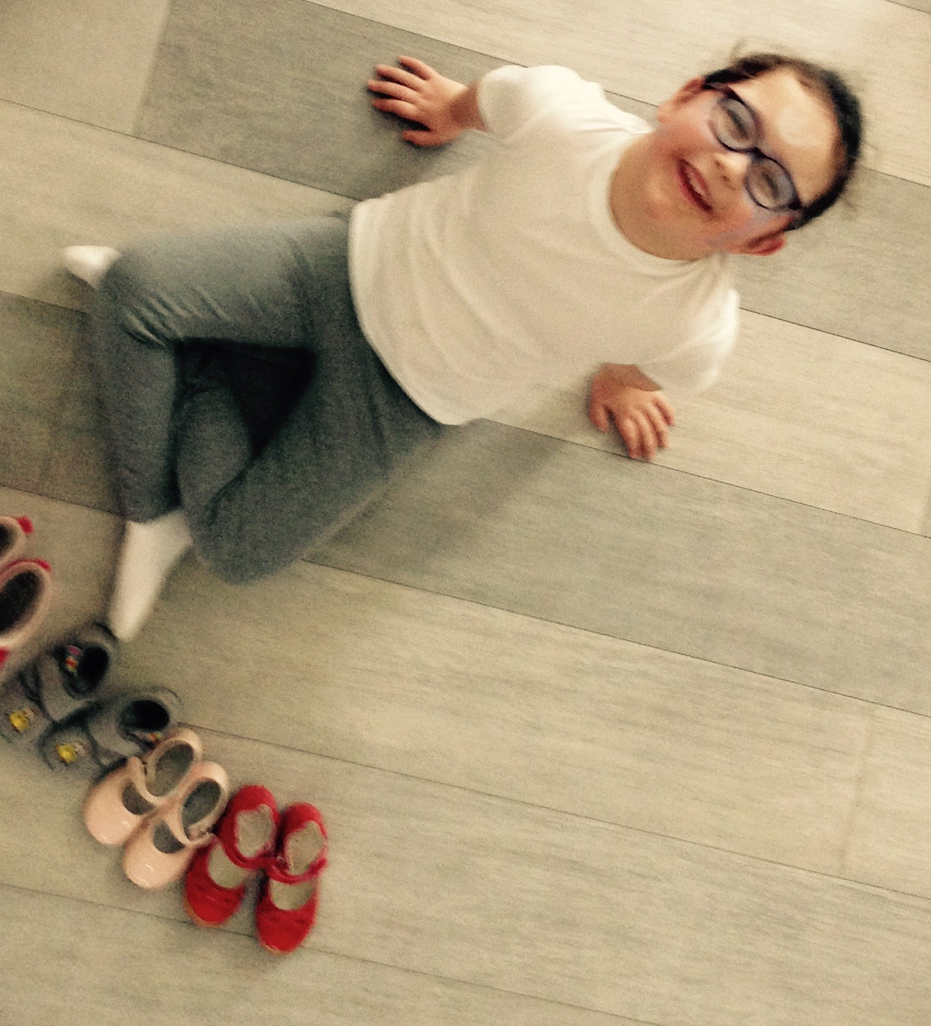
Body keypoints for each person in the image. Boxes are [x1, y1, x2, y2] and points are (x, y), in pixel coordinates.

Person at [65, 46, 862, 640]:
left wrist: (620, 381)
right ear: (684, 95)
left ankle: (213, 367)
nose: (730, 166)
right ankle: (152, 511)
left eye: (770, 184)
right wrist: (450, 109)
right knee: (134, 284)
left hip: (411, 399)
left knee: (239, 554)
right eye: (735, 123)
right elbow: (493, 97)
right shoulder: (561, 112)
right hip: (348, 264)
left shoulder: (696, 325)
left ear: (764, 241)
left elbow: (652, 363)